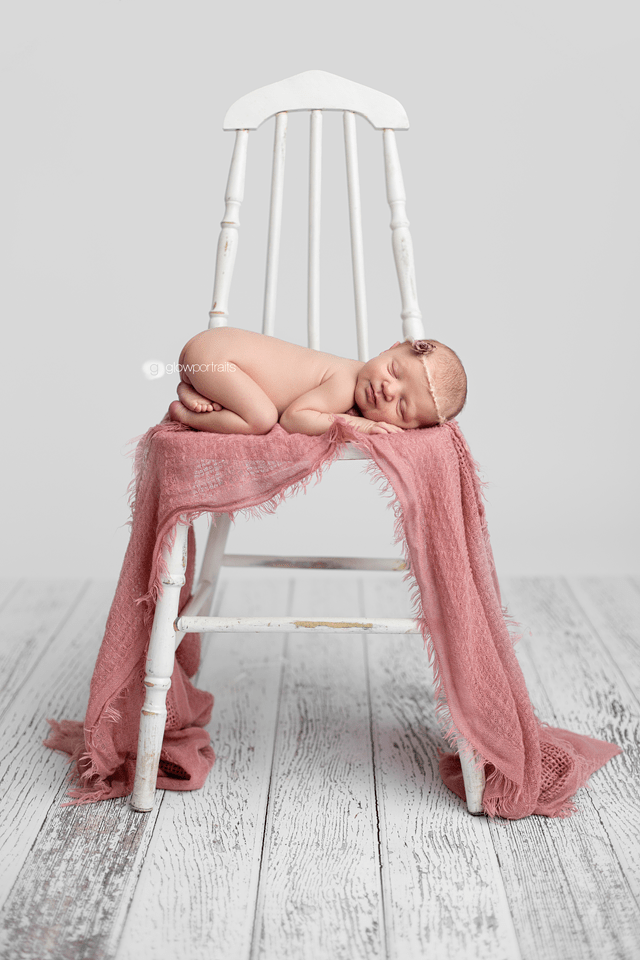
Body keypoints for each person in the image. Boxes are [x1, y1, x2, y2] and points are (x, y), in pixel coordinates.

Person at [168, 327, 466, 437]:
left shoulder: (351, 376)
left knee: (251, 405)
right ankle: (185, 413)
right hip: (216, 357)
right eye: (394, 371)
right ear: (390, 348)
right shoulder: (345, 383)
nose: (388, 389)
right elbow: (294, 419)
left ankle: (194, 385)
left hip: (211, 352)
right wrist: (359, 426)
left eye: (402, 406)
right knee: (261, 418)